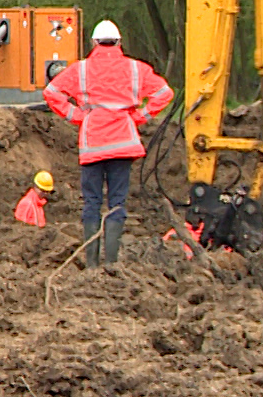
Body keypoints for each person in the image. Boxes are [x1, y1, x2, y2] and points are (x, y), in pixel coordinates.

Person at [42, 20, 174, 269]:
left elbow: (51, 92)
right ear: (119, 42)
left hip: (93, 144)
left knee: (92, 202)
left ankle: (92, 264)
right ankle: (111, 264)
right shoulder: (136, 68)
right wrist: (139, 117)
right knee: (117, 203)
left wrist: (78, 117)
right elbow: (164, 93)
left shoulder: (81, 70)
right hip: (123, 143)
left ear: (93, 43)